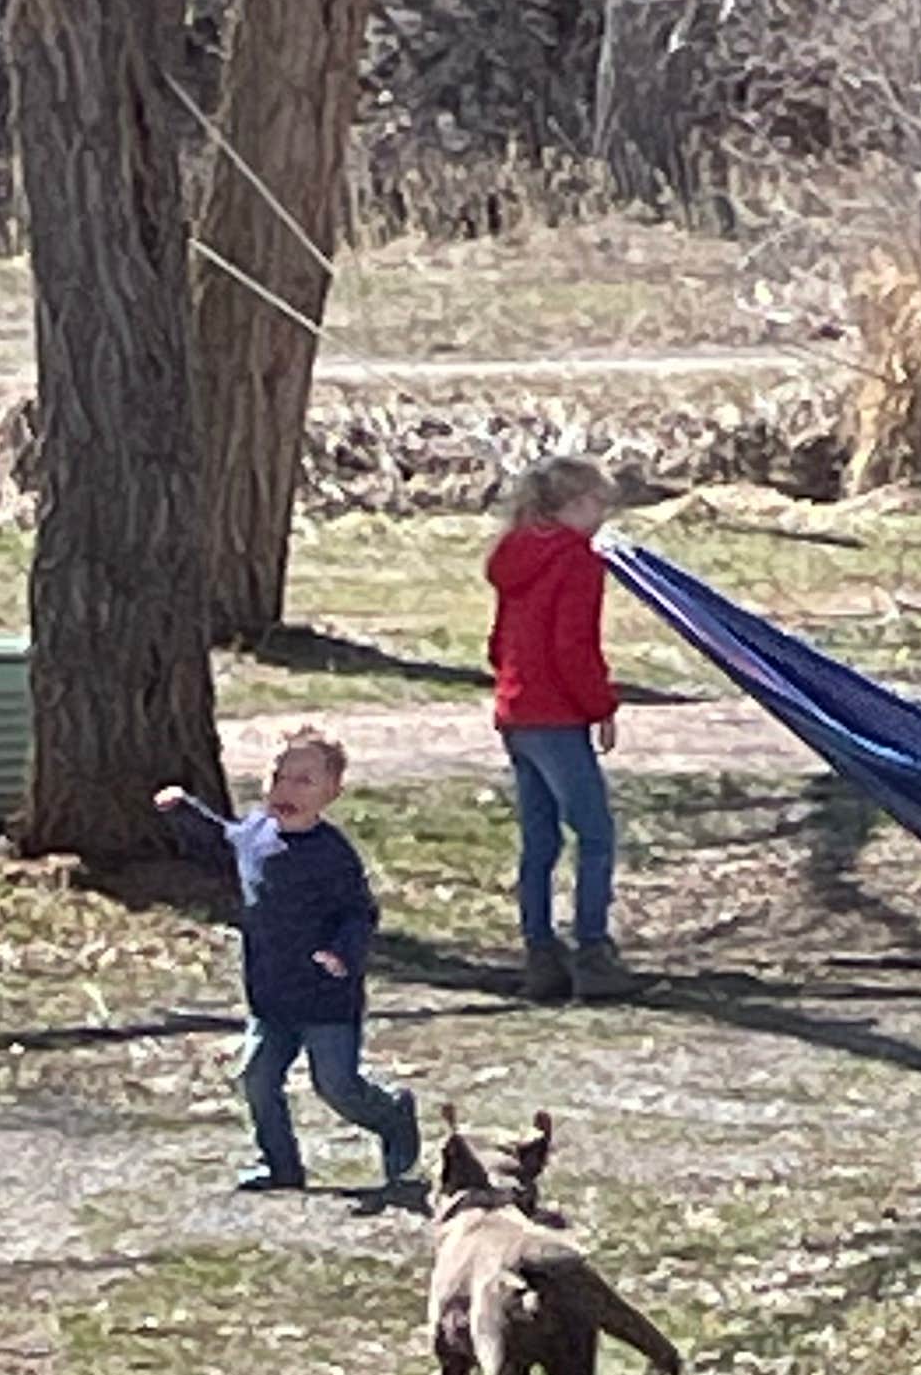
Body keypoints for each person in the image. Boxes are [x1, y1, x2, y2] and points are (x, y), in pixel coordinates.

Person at [154, 726, 422, 1198]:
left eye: (304, 781)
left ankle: (392, 1116)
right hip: (270, 992)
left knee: (336, 1086)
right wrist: (183, 810)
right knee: (257, 1078)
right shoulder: (255, 832)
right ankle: (280, 1165)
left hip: (326, 996)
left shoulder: (331, 854)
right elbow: (221, 839)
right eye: (279, 776)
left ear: (331, 792)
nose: (287, 789)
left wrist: (341, 952)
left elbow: (359, 912)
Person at [487, 453, 628, 1004]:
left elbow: (501, 640)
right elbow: (574, 645)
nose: (601, 514)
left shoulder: (513, 558)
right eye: (596, 503)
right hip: (558, 715)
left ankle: (539, 951)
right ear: (570, 506)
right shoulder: (576, 562)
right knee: (594, 834)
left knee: (538, 841)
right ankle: (592, 951)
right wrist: (600, 705)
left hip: (517, 712)